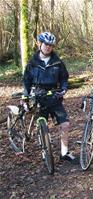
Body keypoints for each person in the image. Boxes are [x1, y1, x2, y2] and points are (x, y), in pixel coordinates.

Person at [23, 32, 78, 164]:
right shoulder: (32, 63)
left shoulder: (58, 62)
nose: (48, 47)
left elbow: (64, 77)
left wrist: (64, 89)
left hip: (54, 95)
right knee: (41, 124)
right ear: (39, 44)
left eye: (51, 45)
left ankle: (64, 152)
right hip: (39, 95)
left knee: (65, 124)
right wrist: (25, 97)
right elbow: (26, 80)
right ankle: (44, 150)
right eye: (46, 44)